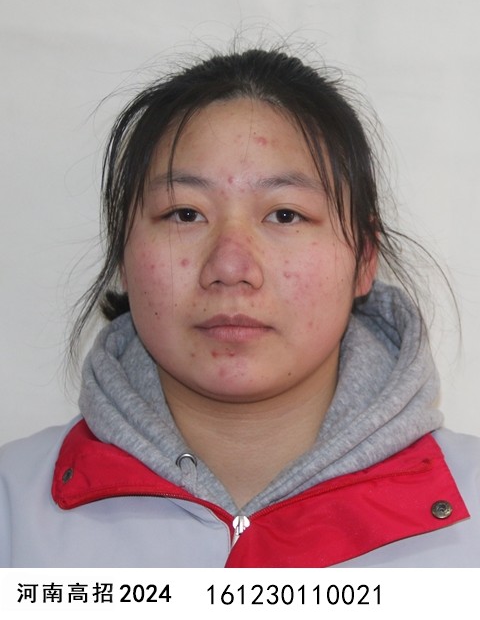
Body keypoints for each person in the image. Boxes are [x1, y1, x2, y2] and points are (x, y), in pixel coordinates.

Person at [1, 47, 479, 568]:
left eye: (285, 215)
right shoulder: (13, 514)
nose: (230, 266)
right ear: (123, 257)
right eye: (185, 214)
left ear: (364, 258)